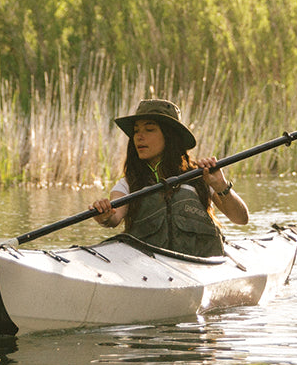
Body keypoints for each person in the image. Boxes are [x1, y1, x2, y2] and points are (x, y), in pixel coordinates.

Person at [89, 98, 248, 257]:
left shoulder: (200, 177)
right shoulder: (128, 184)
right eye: (136, 131)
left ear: (170, 136)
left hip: (199, 264)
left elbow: (241, 218)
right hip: (148, 267)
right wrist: (104, 216)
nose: (139, 136)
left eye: (149, 129)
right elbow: (114, 218)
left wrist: (221, 186)